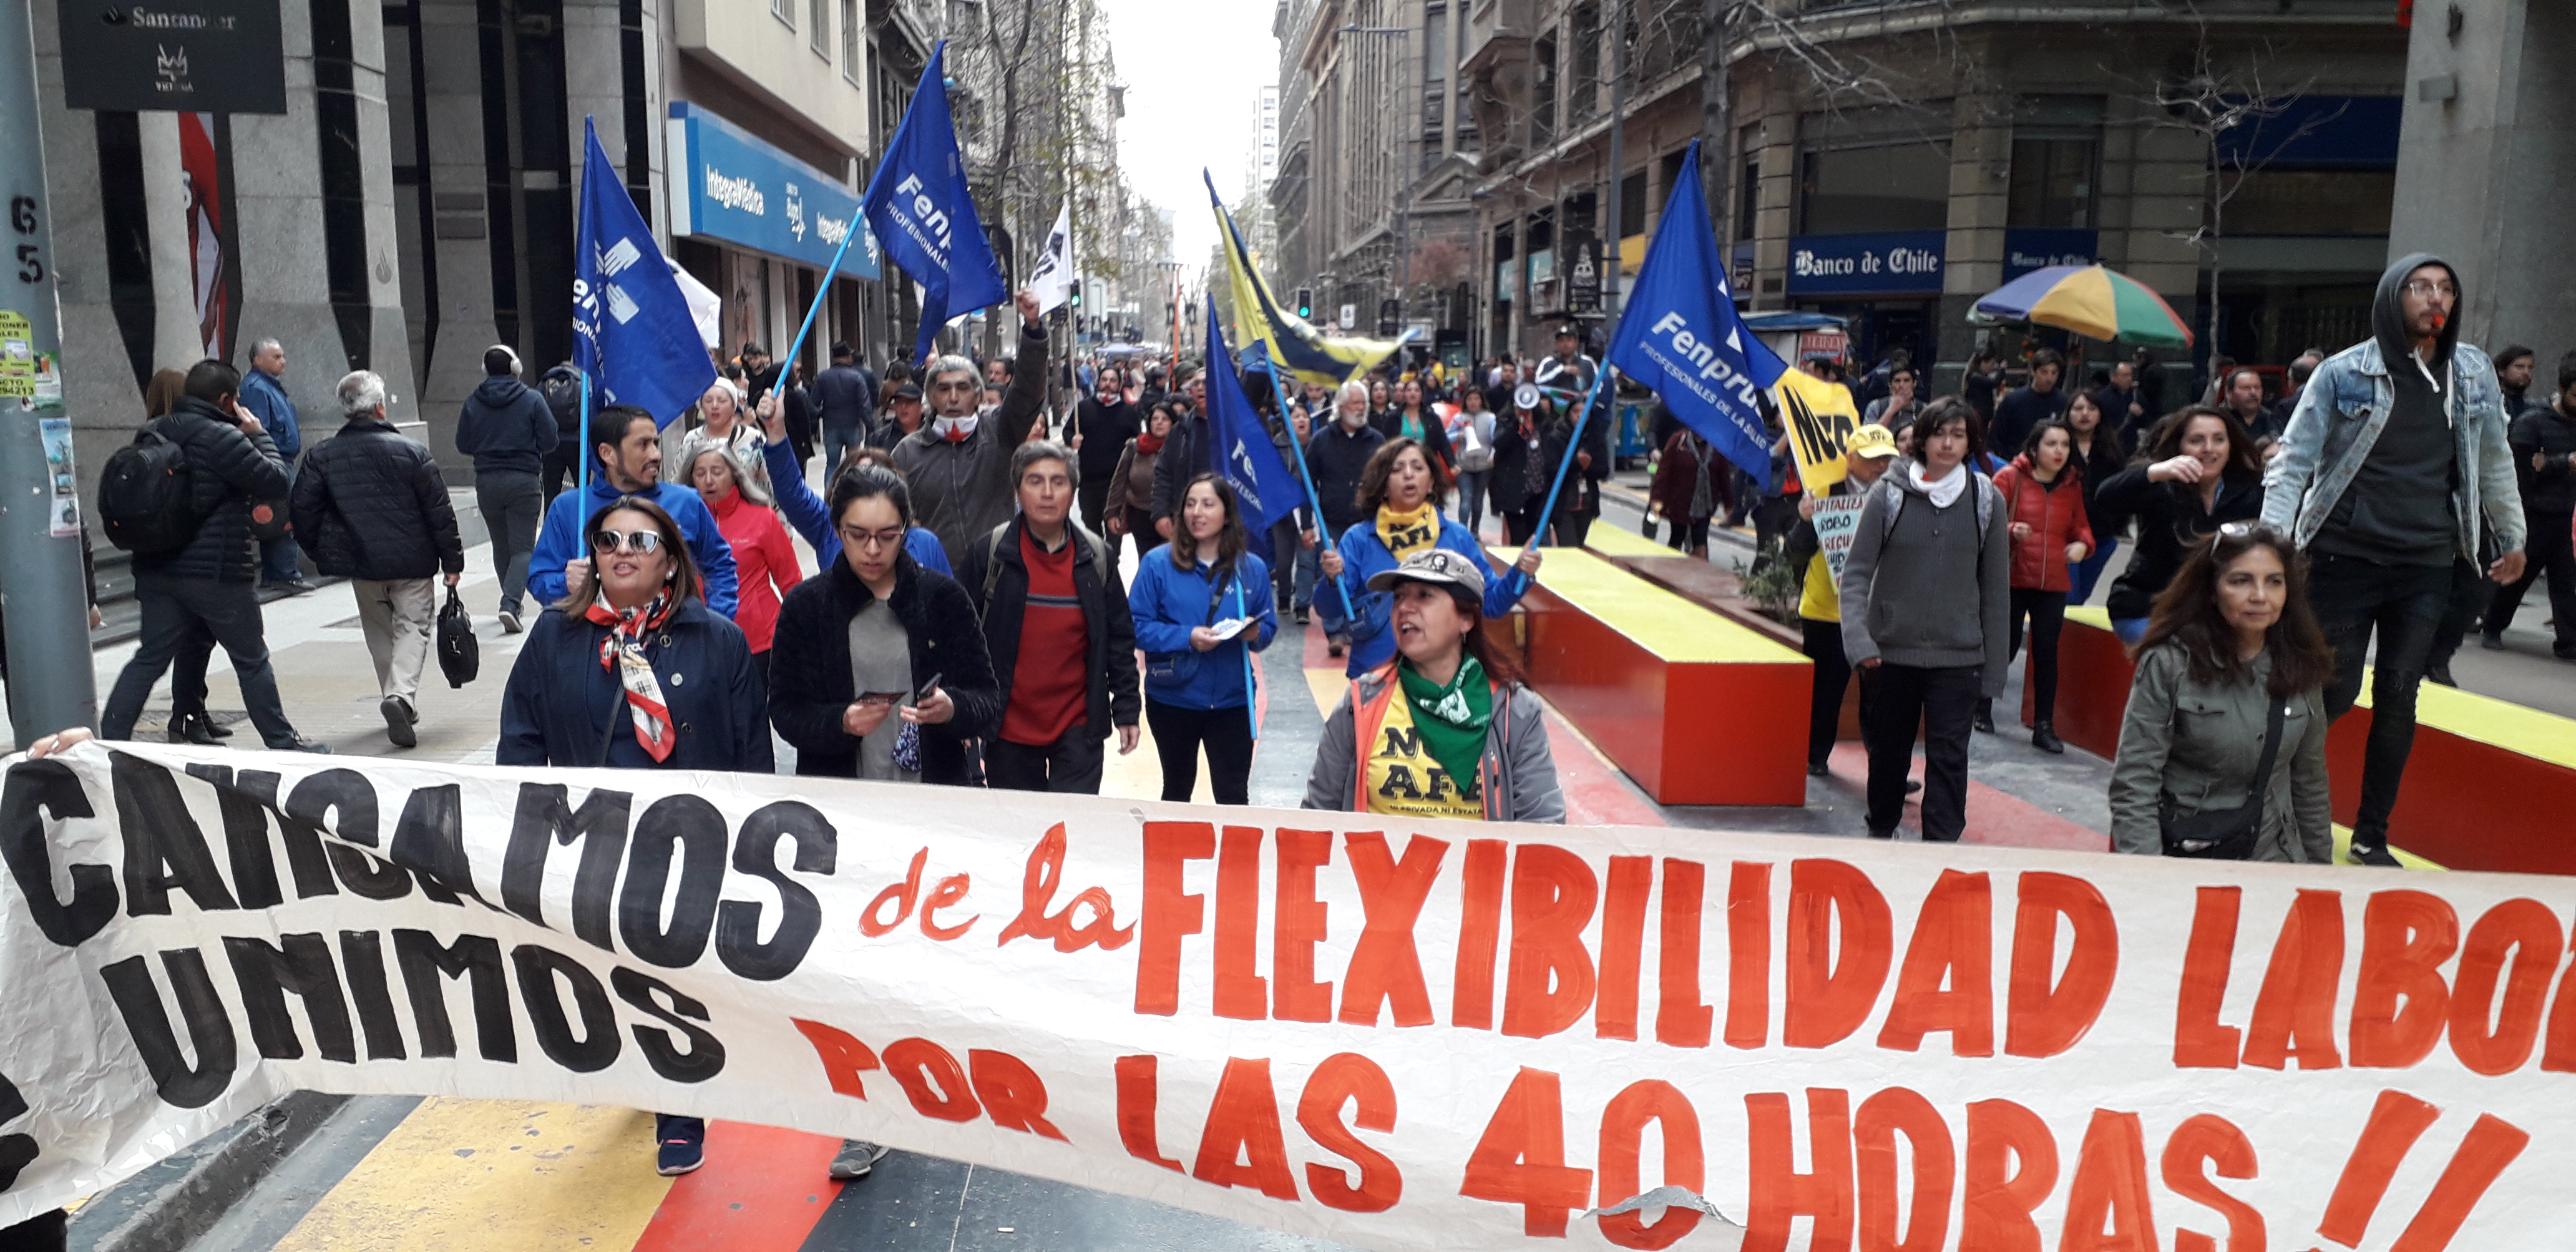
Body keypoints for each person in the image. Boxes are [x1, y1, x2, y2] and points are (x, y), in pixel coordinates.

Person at [498, 495, 768, 1179]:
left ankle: (679, 1109)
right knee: (608, 974)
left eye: (641, 540)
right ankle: (638, 1070)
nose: (622, 549)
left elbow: (751, 756)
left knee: (671, 971)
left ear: (670, 561)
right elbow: (521, 742)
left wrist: (749, 846)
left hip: (689, 846)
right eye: (609, 539)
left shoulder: (718, 640)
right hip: (592, 842)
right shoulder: (555, 638)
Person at [2261, 253, 2527, 866]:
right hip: (2344, 556)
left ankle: (2371, 833)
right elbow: (2295, 460)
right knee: (2332, 692)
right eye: (2420, 287)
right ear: (2392, 296)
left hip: (2428, 562)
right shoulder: (2343, 372)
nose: (2435, 297)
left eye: (2446, 288)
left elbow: (2493, 458)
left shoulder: (2474, 373)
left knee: (2400, 696)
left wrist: (2511, 534)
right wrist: (2273, 544)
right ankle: (2275, 806)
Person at [102, 359, 330, 753]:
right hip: (217, 572)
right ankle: (283, 744)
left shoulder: (153, 432)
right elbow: (276, 480)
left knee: (150, 658)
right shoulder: (224, 437)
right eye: (236, 398)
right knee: (251, 659)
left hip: (157, 568)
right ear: (227, 400)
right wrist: (258, 435)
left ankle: (111, 740)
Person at [1837, 398, 2010, 843]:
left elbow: (1995, 592)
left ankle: (1942, 846)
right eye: (1940, 433)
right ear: (1921, 440)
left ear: (1971, 442)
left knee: (1950, 758)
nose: (1948, 443)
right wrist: (1859, 643)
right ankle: (1882, 828)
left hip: (1959, 657)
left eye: (1959, 434)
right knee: (1890, 754)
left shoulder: (1986, 499)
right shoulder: (1888, 494)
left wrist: (1993, 674)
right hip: (1891, 656)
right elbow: (1855, 573)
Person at [768, 461, 998, 794]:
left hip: (935, 794)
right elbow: (786, 710)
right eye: (858, 535)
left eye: (888, 536)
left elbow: (987, 697)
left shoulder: (942, 597)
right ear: (837, 529)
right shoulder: (807, 606)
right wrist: (840, 723)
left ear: (906, 530)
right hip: (841, 796)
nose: (873, 550)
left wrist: (953, 709)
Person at [2109, 523, 2334, 863]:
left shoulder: (2301, 663)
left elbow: (2310, 783)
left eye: (2274, 581)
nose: (2260, 596)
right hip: (2191, 851)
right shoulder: (2170, 663)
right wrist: (2148, 879)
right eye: (2241, 581)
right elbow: (2134, 783)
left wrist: (2322, 878)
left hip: (2273, 853)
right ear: (2213, 591)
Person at [1301, 549, 1564, 822]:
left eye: (1425, 596)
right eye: (1400, 597)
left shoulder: (1513, 711)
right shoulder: (1360, 702)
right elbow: (1318, 814)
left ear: (1466, 620)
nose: (1404, 607)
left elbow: (1544, 822)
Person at [954, 441, 1142, 793]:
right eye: (1035, 481)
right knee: (1020, 832)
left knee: (1073, 828)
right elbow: (959, 637)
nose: (1047, 493)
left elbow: (1119, 637)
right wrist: (965, 712)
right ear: (1017, 490)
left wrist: (1127, 707)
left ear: (1073, 492)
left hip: (1078, 725)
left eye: (1059, 482)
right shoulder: (990, 554)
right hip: (1008, 725)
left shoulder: (1097, 558)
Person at [292, 369, 466, 746]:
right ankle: (400, 696)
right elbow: (440, 511)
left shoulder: (323, 456)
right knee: (412, 627)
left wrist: (318, 551)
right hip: (413, 562)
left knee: (380, 633)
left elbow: (302, 509)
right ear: (381, 408)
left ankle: (398, 696)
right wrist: (452, 562)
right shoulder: (412, 452)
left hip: (362, 562)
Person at [1317, 437, 1538, 678]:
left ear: (1431, 482)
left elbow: (1492, 604)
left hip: (1444, 680)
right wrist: (1331, 579)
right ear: (1382, 485)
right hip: (1375, 678)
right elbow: (1328, 609)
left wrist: (1521, 572)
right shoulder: (1359, 539)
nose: (1409, 475)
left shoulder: (1457, 538)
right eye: (1397, 469)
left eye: (1418, 468)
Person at [1128, 474, 1279, 804]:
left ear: (1227, 513)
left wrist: (1254, 633)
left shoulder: (1250, 569)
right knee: (1177, 788)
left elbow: (1268, 630)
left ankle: (1237, 857)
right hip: (1174, 698)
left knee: (1233, 795)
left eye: (1208, 504)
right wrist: (1186, 637)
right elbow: (1135, 626)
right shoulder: (1157, 564)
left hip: (1233, 699)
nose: (1197, 512)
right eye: (1190, 504)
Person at [526, 404, 740, 618]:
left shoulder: (686, 502)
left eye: (656, 443)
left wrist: (716, 623)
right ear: (607, 453)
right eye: (643, 445)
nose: (656, 455)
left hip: (673, 642)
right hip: (596, 644)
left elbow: (720, 567)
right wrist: (564, 583)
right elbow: (538, 580)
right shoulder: (568, 508)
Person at [893, 290, 1051, 563]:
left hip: (998, 572)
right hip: (940, 581)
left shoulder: (1000, 431)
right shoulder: (907, 453)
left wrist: (1034, 330)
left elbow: (1027, 391)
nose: (953, 397)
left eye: (962, 388)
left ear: (979, 395)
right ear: (931, 397)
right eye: (944, 389)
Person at [1782, 423, 1899, 776]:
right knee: (1826, 692)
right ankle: (1815, 756)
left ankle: (1886, 768)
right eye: (1871, 458)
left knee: (1881, 698)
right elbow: (1795, 552)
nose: (1880, 466)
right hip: (1826, 612)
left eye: (1886, 458)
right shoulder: (1824, 493)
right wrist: (1805, 520)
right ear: (1850, 459)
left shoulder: (1896, 495)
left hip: (1877, 611)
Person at [2094, 406, 2265, 645]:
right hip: (2149, 608)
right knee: (2179, 657)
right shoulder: (2162, 486)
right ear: (2180, 447)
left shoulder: (2249, 491)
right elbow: (2105, 497)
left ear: (2231, 446)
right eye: (2197, 440)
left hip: (2219, 614)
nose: (2209, 449)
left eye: (2219, 440)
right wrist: (2153, 472)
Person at [1985, 419, 2094, 752]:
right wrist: (2011, 529)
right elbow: (1984, 519)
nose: (2059, 451)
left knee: (2047, 653)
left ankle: (2044, 725)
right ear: (2034, 448)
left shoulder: (2071, 485)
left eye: (2064, 445)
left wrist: (2083, 546)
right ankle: (1981, 706)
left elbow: (2082, 528)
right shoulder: (2009, 478)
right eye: (2051, 444)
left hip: (2053, 581)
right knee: (2002, 648)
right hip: (2013, 577)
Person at [137, 368, 226, 746]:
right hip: (194, 555)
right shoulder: (184, 434)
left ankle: (193, 713)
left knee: (186, 645)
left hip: (159, 554)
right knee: (195, 643)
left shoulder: (147, 436)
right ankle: (187, 716)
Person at [680, 435, 801, 690]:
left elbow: (790, 580)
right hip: (699, 636)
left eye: (717, 471)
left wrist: (800, 631)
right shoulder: (680, 524)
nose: (709, 480)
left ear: (735, 474)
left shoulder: (763, 518)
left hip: (759, 639)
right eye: (700, 473)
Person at [455, 345, 557, 633]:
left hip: (487, 481)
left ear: (485, 370)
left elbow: (462, 444)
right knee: (523, 548)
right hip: (524, 480)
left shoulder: (473, 402)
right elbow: (550, 440)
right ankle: (510, 603)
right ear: (516, 368)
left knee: (501, 546)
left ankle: (511, 602)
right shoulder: (533, 400)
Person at [2487, 350, 2576, 657]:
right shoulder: (2533, 422)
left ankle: (2569, 642)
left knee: (2566, 583)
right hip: (2535, 514)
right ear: (2563, 390)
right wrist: (2562, 463)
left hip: (2566, 514)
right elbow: (2520, 472)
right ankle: (2493, 626)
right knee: (2518, 577)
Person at [1305, 382, 1388, 656]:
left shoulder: (1377, 441)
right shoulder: (1321, 440)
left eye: (1363, 403)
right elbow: (1306, 483)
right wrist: (1307, 524)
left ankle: (1357, 623)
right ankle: (1335, 630)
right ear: (1341, 407)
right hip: (1331, 518)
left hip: (1366, 522)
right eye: (1355, 403)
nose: (1360, 409)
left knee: (1361, 575)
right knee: (1333, 572)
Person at [238, 337, 313, 594]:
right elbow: (259, 430)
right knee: (282, 516)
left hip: (282, 457)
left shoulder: (271, 387)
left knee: (279, 515)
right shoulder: (256, 388)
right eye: (277, 357)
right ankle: (283, 573)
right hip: (275, 458)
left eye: (282, 356)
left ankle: (280, 573)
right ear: (258, 360)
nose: (283, 361)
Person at [2063, 389, 2127, 604]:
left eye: (2091, 409)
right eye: (2079, 408)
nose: (2085, 414)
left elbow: (2122, 490)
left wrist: (2116, 524)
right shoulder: (2059, 445)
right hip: (2066, 536)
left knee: (2082, 596)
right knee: (2068, 596)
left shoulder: (2112, 449)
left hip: (2102, 535)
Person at [1073, 368, 1139, 545]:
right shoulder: (1084, 408)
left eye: (1113, 380)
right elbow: (1069, 432)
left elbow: (1137, 442)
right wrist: (1072, 440)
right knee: (1092, 532)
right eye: (1104, 379)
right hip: (1089, 483)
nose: (1108, 384)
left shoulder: (1129, 412)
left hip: (1117, 485)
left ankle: (1112, 568)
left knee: (1115, 535)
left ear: (1119, 384)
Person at [1539, 390, 1612, 549]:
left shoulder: (1594, 437)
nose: (1580, 416)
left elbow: (1603, 470)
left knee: (1579, 547)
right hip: (1564, 504)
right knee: (1569, 547)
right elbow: (1552, 470)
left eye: (1584, 412)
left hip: (1586, 504)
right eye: (1576, 412)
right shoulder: (1557, 437)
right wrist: (1576, 463)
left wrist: (1588, 467)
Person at [1106, 401, 1174, 565]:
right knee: (1147, 561)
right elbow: (1119, 482)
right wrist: (1112, 513)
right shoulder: (1135, 447)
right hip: (1141, 517)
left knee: (1170, 562)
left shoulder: (1180, 447)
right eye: (1155, 418)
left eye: (1164, 419)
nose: (1159, 422)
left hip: (1171, 517)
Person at [1149, 369, 1213, 542]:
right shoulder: (1181, 430)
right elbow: (1163, 472)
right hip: (1187, 519)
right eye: (1196, 384)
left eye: (1206, 383)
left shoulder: (1233, 427)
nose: (1200, 388)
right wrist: (1161, 513)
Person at [1648, 424, 1730, 558]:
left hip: (1705, 503)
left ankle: (1698, 573)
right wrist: (1657, 497)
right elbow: (1663, 472)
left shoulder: (1716, 445)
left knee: (1700, 541)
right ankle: (1671, 571)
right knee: (1677, 538)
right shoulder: (1679, 441)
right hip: (1679, 502)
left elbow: (1723, 476)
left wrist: (1729, 503)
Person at [692, 378, 771, 501]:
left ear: (734, 405)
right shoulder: (691, 440)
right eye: (708, 401)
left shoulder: (754, 438)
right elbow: (679, 482)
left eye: (722, 401)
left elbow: (769, 482)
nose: (714, 406)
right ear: (701, 405)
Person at [1491, 385, 1550, 545]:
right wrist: (1515, 426)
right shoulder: (1505, 420)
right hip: (1515, 490)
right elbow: (1498, 444)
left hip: (1538, 490)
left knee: (1535, 537)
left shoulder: (1543, 424)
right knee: (1518, 539)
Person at [1372, 377, 1455, 485]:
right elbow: (1386, 444)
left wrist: (1452, 464)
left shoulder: (1431, 417)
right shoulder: (1394, 417)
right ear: (1404, 394)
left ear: (1422, 394)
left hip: (1426, 466)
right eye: (1409, 390)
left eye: (1417, 390)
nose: (1413, 394)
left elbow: (1442, 441)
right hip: (1400, 467)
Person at [811, 341, 876, 479]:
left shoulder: (823, 377)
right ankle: (853, 492)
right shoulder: (856, 377)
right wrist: (870, 426)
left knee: (832, 465)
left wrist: (821, 414)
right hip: (852, 425)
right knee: (854, 463)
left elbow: (813, 403)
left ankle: (829, 496)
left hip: (831, 426)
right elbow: (865, 404)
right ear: (848, 358)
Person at [1990, 347, 2070, 457]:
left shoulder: (2064, 402)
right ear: (2033, 371)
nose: (2049, 378)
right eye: (2044, 372)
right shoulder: (2013, 401)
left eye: (2054, 373)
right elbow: (1996, 437)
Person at [1449, 384, 1497, 539]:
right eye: (1470, 399)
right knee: (1466, 500)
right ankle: (1462, 530)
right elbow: (1446, 437)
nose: (1473, 402)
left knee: (1478, 501)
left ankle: (1475, 529)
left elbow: (1495, 440)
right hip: (1464, 466)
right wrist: (1458, 436)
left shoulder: (1490, 418)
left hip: (1484, 466)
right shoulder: (1459, 418)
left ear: (1481, 401)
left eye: (1476, 399)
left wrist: (1492, 455)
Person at [537, 362, 587, 501]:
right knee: (582, 489)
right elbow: (589, 414)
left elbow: (538, 416)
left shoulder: (543, 385)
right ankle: (583, 521)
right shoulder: (581, 386)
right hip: (577, 444)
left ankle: (550, 519)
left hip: (552, 445)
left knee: (551, 491)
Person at [2095, 358, 2149, 446]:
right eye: (2125, 376)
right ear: (2113, 377)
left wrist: (2141, 414)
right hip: (2108, 444)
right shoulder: (2101, 397)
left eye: (2130, 375)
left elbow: (2148, 423)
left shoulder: (2137, 396)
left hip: (2130, 445)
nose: (2129, 379)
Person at [2218, 365, 2275, 441]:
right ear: (2229, 392)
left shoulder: (2270, 418)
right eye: (2246, 388)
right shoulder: (2219, 419)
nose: (2253, 393)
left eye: (2257, 387)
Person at [1860, 361, 1922, 431]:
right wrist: (1892, 409)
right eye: (1897, 381)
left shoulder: (1923, 410)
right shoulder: (1876, 407)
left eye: (1907, 381)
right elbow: (1869, 438)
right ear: (1890, 385)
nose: (1902, 385)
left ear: (1914, 384)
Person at [869, 381, 927, 452]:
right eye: (899, 402)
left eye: (909, 402)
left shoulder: (931, 436)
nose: (903, 406)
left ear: (921, 407)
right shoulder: (880, 437)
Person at [1962, 350, 2006, 426]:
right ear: (1984, 363)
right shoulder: (1975, 377)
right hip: (1980, 413)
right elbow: (1993, 383)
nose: (1992, 368)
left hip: (1983, 413)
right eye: (1992, 364)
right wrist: (2002, 370)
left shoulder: (1978, 376)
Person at [2493, 345, 2537, 415]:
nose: (2526, 372)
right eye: (2520, 367)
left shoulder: (2533, 409)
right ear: (2502, 371)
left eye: (2530, 367)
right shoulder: (2491, 405)